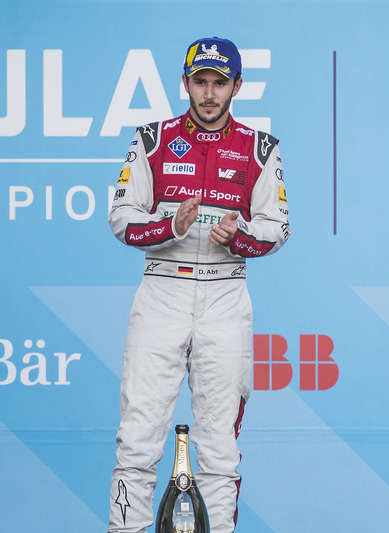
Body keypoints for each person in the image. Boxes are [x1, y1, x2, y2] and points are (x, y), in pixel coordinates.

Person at [107, 36, 290, 533]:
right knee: (139, 432)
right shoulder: (150, 138)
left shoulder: (260, 148)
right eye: (201, 82)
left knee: (219, 442)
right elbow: (122, 219)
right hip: (162, 289)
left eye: (219, 83)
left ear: (237, 86)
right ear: (185, 82)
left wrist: (241, 237)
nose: (209, 93)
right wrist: (171, 227)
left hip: (226, 293)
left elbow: (278, 230)